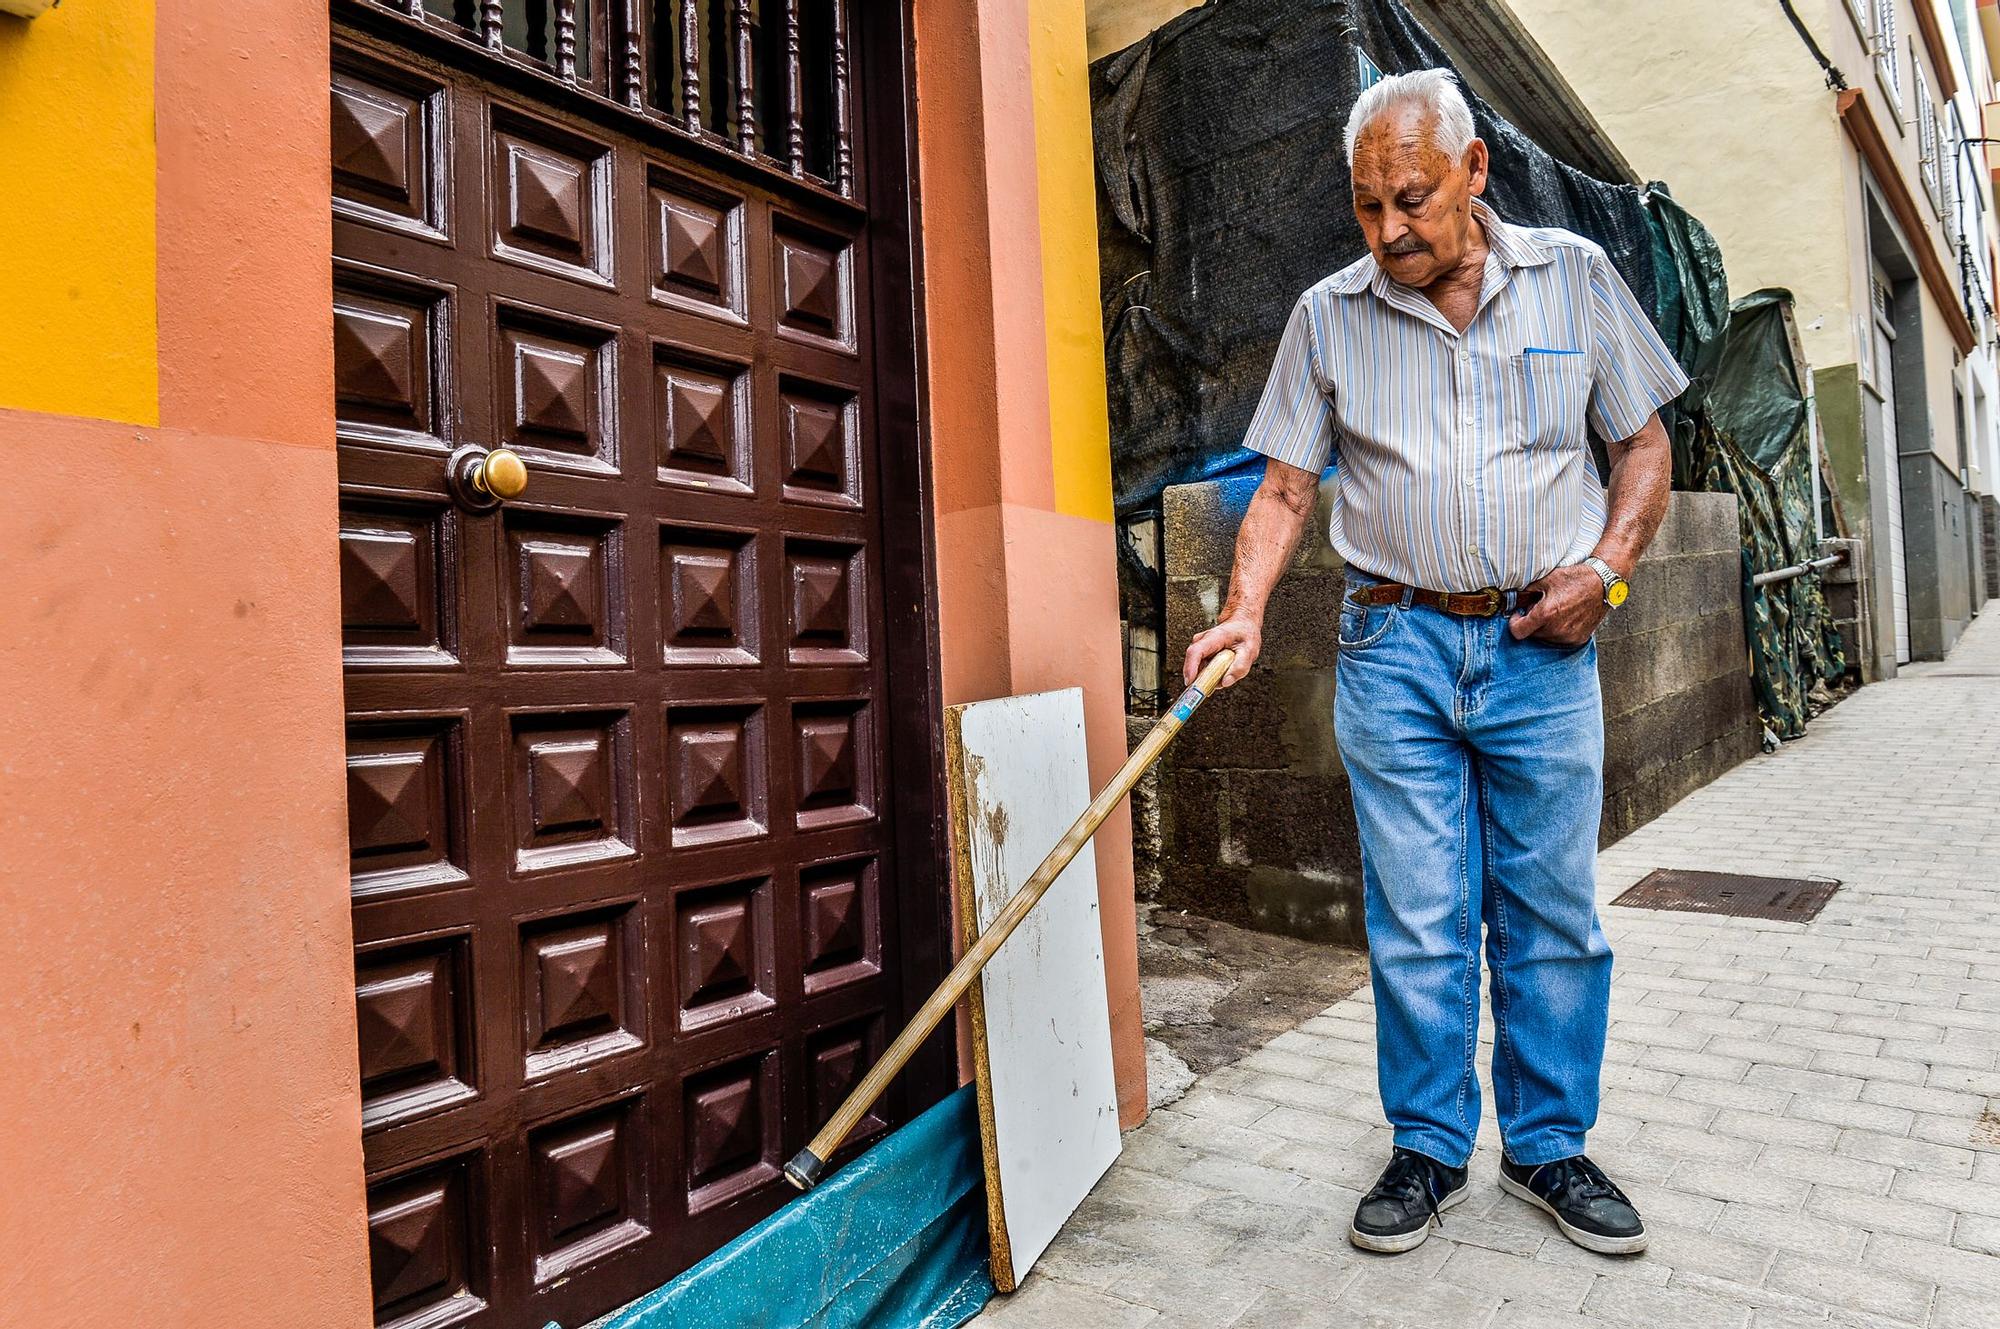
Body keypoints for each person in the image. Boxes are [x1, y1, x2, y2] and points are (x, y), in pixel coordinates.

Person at [1183, 67, 1684, 1257]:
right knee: (1417, 914)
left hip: (1538, 646)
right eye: (1364, 207)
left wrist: (1605, 573)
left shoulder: (1573, 276)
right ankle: (1424, 1145)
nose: (1388, 230)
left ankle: (1549, 1147)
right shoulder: (1326, 314)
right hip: (1391, 643)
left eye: (1409, 198)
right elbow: (1284, 488)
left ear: (1472, 172)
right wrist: (1243, 610)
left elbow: (1642, 442)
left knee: (1549, 910)